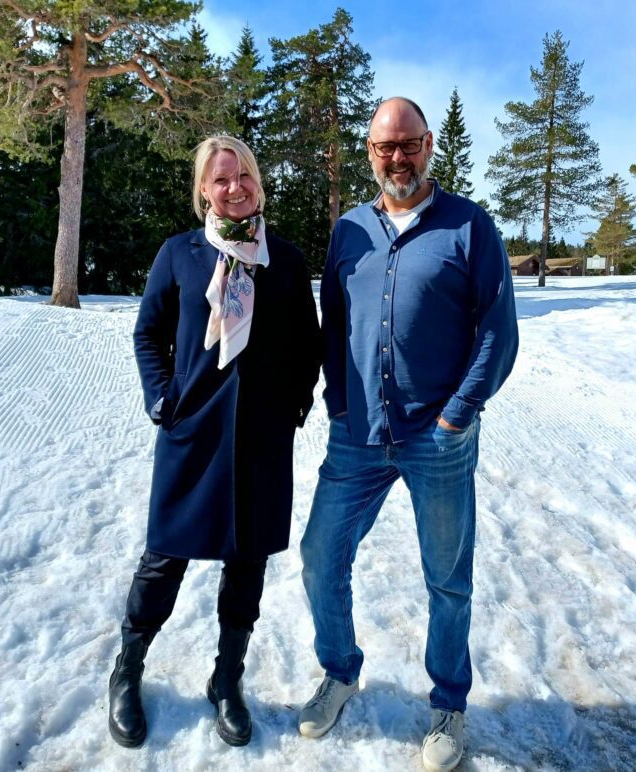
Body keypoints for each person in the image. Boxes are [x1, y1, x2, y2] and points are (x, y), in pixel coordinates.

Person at [297, 97, 519, 771]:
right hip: (358, 435)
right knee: (318, 555)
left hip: (438, 440)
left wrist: (458, 414)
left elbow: (498, 331)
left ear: (429, 145)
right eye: (383, 147)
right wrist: (338, 398)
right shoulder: (350, 231)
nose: (396, 158)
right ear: (369, 152)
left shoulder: (469, 227)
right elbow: (333, 323)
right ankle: (340, 671)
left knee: (447, 580)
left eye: (408, 144)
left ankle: (448, 702)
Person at [108, 135, 321, 749]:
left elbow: (308, 345)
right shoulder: (179, 254)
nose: (235, 188)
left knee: (246, 562)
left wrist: (295, 406)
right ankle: (127, 669)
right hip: (191, 433)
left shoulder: (282, 256)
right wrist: (160, 400)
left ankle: (227, 679)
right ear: (204, 189)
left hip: (260, 440)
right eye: (221, 179)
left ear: (258, 182)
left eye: (244, 176)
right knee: (164, 558)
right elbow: (149, 335)